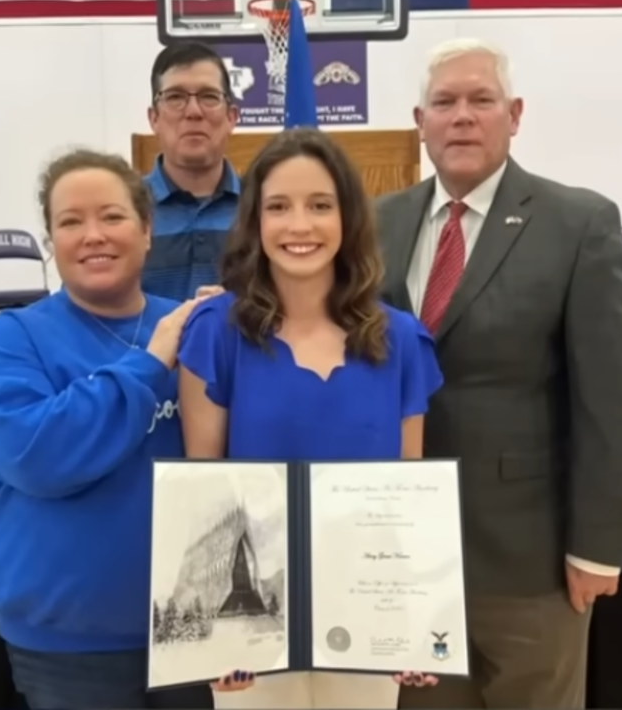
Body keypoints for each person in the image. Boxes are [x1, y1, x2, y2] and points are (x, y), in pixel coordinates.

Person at [374, 39, 622, 710]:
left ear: (514, 114)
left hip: (531, 562)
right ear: (420, 120)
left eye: (480, 100)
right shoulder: (379, 222)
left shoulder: (577, 222)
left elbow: (613, 399)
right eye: (445, 103)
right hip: (404, 563)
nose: (461, 117)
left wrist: (596, 547)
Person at [176, 129, 446, 710]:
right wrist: (212, 638)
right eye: (279, 207)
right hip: (253, 634)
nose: (300, 226)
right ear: (255, 221)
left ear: (348, 217)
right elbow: (203, 491)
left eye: (320, 206)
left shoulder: (399, 338)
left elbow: (408, 493)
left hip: (365, 617)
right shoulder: (216, 331)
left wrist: (411, 617)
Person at [0, 147, 218, 710]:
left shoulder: (194, 328)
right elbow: (37, 455)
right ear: (51, 241)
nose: (93, 235)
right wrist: (151, 366)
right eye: (70, 222)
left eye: (111, 216)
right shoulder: (17, 337)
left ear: (147, 230)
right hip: (70, 646)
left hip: (195, 629)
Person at [143, 42, 242, 301]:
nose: (194, 112)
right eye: (175, 97)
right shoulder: (123, 209)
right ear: (154, 118)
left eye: (209, 97)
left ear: (231, 117)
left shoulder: (266, 207)